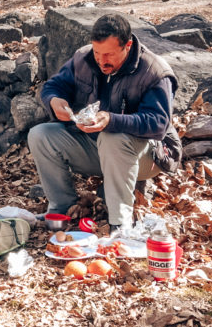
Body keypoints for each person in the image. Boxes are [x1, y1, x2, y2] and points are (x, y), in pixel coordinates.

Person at [28, 13, 182, 233]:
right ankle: (62, 208)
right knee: (40, 135)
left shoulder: (155, 71)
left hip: (150, 156)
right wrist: (53, 100)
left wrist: (111, 120)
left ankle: (120, 224)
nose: (101, 60)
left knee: (113, 137)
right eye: (97, 52)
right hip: (98, 147)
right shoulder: (84, 58)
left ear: (127, 45)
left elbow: (158, 123)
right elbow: (54, 85)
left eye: (108, 54)